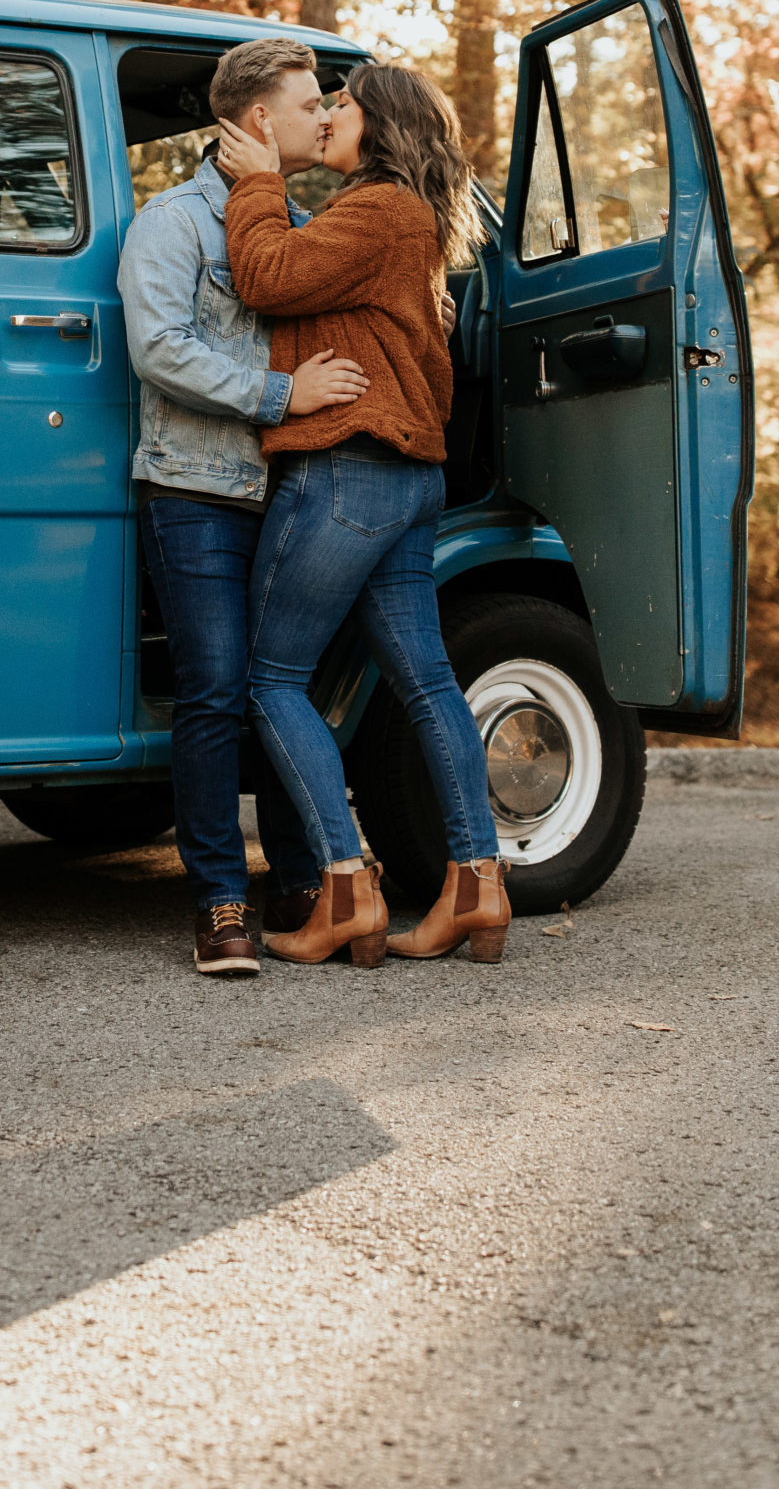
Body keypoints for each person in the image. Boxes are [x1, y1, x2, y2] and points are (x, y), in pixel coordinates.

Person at [215, 60, 510, 969]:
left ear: (380, 126)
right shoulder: (394, 221)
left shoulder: (380, 211)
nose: (329, 113)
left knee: (270, 680)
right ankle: (476, 883)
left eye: (341, 103)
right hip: (404, 479)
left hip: (348, 474)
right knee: (424, 683)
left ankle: (344, 888)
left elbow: (264, 273)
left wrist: (258, 182)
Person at [118, 36, 371, 976]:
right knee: (218, 692)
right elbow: (161, 350)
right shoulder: (171, 223)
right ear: (259, 119)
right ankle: (221, 901)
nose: (324, 117)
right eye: (311, 104)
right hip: (195, 490)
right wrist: (279, 397)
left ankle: (304, 888)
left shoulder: (297, 224)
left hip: (296, 496)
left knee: (285, 693)